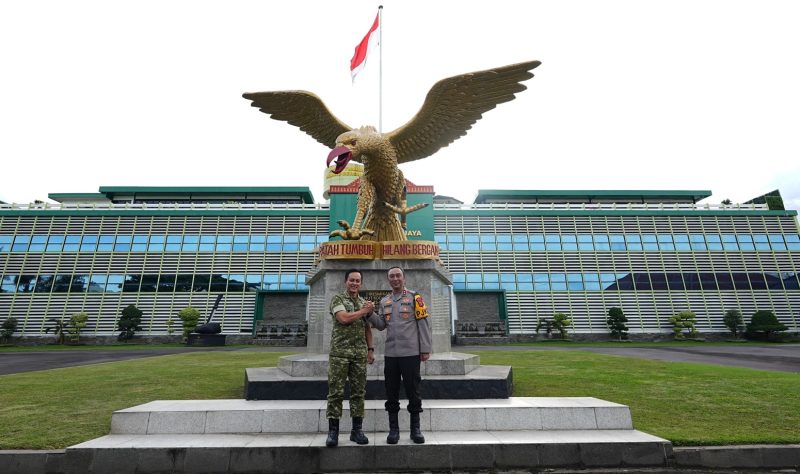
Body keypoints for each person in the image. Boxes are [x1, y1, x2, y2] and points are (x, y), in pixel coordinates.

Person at [369, 266, 432, 444]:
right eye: (392, 276)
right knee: (391, 392)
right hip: (391, 354)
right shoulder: (384, 301)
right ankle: (394, 430)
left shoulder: (415, 297)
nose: (395, 279)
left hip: (411, 353)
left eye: (398, 275)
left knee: (413, 391)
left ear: (404, 278)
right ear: (388, 280)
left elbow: (423, 324)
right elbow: (381, 325)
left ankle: (415, 429)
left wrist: (425, 348)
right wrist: (370, 313)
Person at [325, 268, 376, 447]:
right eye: (351, 280)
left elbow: (367, 329)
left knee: (358, 393)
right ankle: (333, 432)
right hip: (340, 354)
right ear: (345, 281)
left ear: (361, 283)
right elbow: (344, 319)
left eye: (357, 281)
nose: (354, 283)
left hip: (359, 355)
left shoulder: (363, 302)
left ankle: (357, 431)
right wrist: (364, 311)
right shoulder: (338, 299)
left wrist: (370, 349)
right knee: (336, 392)